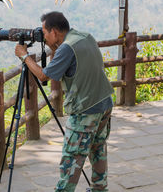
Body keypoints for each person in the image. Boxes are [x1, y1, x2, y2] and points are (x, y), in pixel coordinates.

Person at [15, 11, 114, 192]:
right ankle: (100, 189)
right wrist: (54, 46)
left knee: (72, 157)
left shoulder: (67, 48)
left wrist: (24, 56)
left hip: (86, 109)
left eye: (44, 33)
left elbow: (44, 75)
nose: (43, 37)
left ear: (54, 32)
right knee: (98, 149)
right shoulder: (84, 37)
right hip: (104, 102)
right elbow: (72, 63)